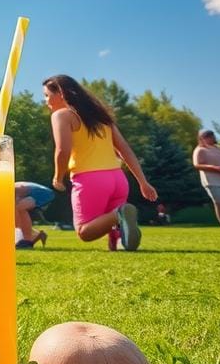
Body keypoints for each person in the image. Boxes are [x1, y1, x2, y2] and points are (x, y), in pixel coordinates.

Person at [44, 75, 157, 252]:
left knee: (84, 231)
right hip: (118, 179)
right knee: (113, 227)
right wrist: (143, 182)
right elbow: (125, 150)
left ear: (61, 94)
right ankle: (121, 242)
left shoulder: (61, 115)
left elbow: (62, 150)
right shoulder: (101, 117)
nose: (46, 101)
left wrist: (58, 177)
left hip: (90, 179)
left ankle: (119, 215)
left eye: (47, 95)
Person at [14, 182, 54, 248]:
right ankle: (36, 235)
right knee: (17, 211)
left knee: (20, 208)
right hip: (41, 193)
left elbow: (21, 190)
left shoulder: (13, 188)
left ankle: (27, 241)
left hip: (43, 194)